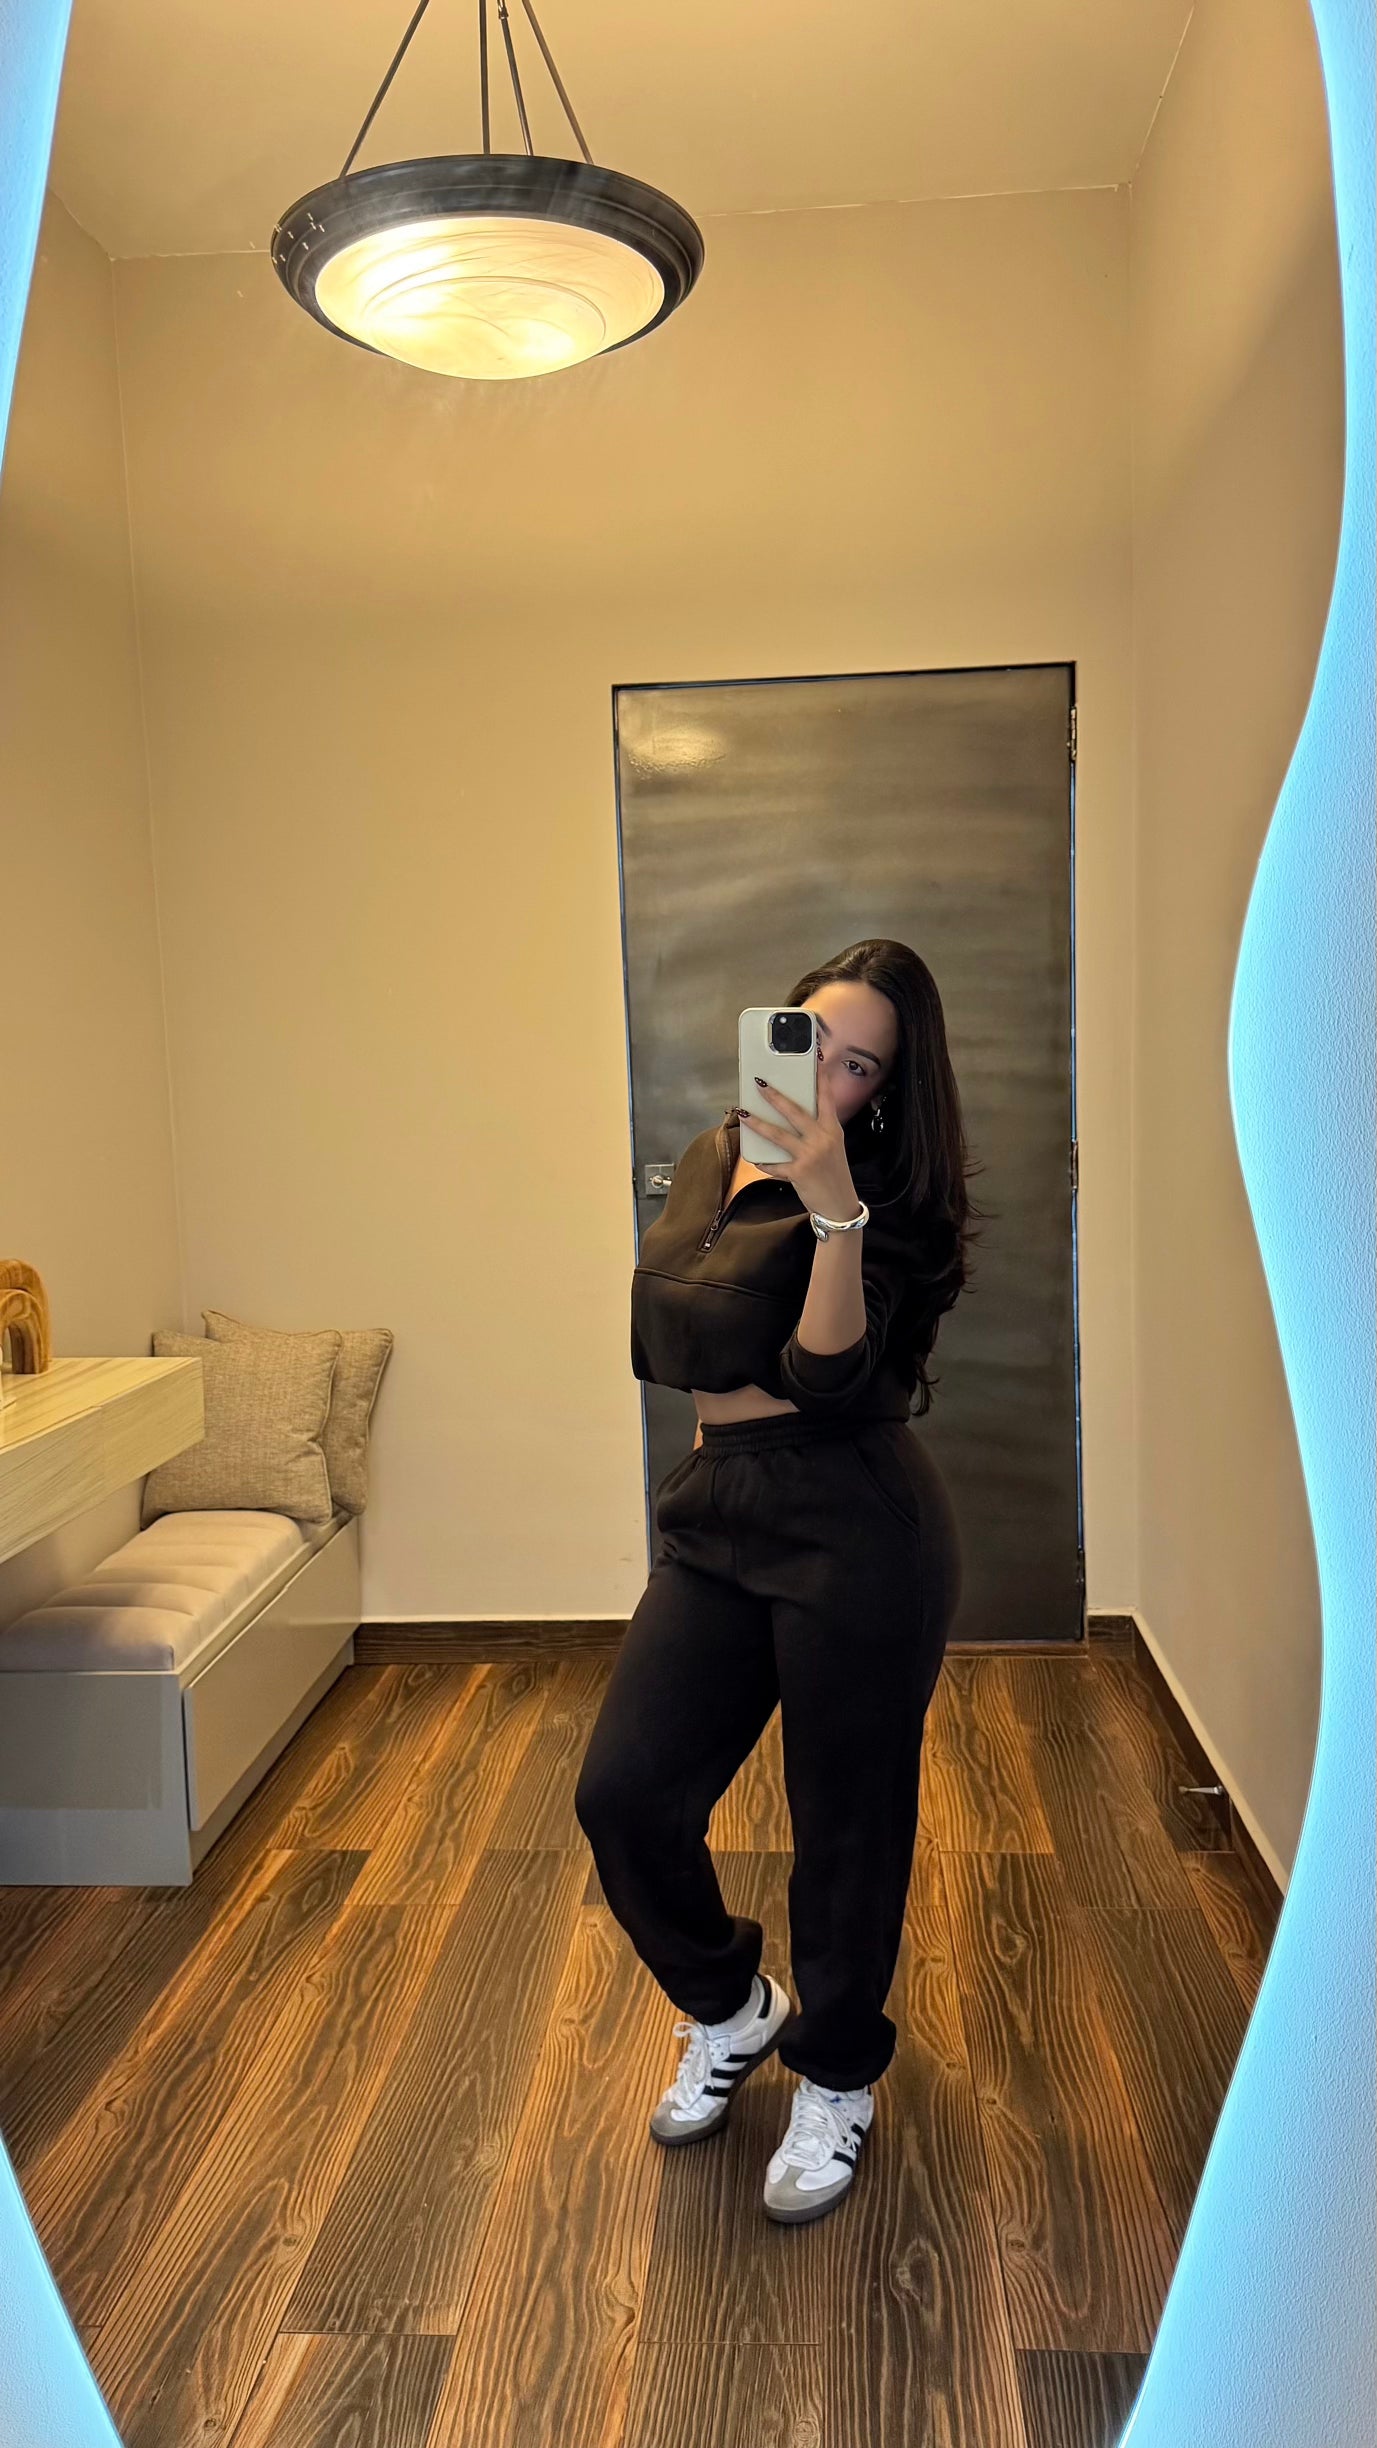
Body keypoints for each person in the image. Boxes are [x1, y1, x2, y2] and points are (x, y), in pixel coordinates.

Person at [574, 938, 981, 2226]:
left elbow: (825, 1375)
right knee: (624, 1798)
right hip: (719, 1506)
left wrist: (835, 1214)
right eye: (814, 1042)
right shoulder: (708, 1158)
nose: (828, 1078)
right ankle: (732, 2007)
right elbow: (663, 1337)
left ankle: (839, 2078)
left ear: (885, 1093)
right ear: (775, 1031)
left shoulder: (884, 1198)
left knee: (845, 1827)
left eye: (860, 1067)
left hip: (856, 1522)